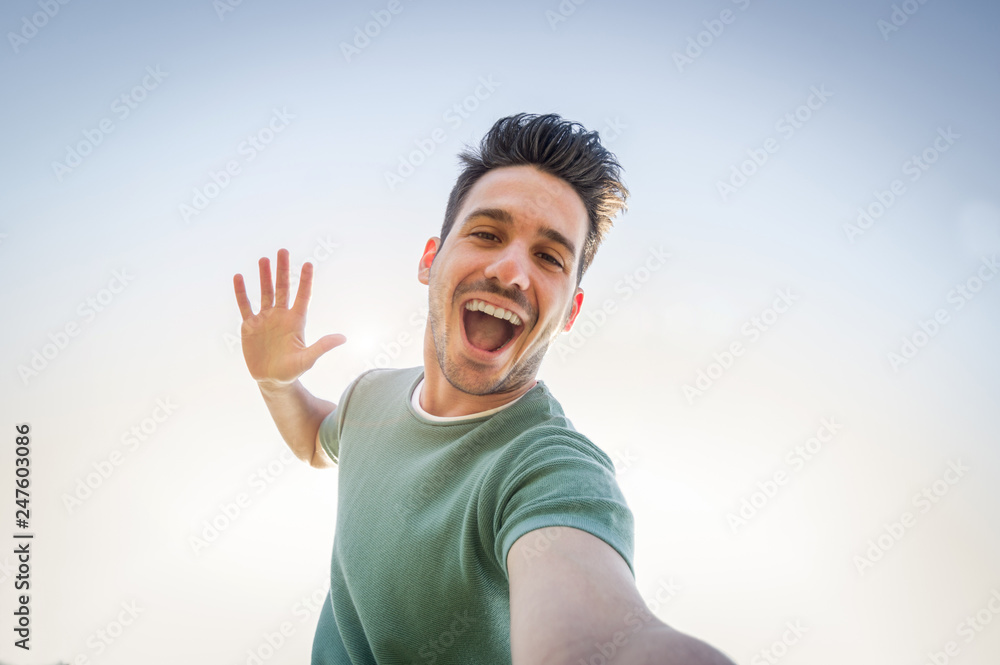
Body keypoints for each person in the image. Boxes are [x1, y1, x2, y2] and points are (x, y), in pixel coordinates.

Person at [233, 113, 735, 664]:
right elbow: (314, 440)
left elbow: (605, 640)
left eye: (549, 257)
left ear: (571, 311)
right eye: (487, 234)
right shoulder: (370, 397)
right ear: (430, 259)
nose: (511, 271)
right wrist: (276, 380)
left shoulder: (548, 468)